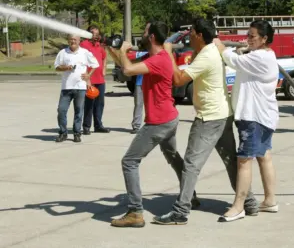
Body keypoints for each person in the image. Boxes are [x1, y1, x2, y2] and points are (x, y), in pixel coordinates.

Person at [153, 18, 258, 226]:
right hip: (222, 114)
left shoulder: (207, 54)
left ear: (200, 35)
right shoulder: (210, 50)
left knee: (191, 165)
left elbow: (179, 80)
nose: (189, 36)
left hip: (209, 118)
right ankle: (250, 202)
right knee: (230, 163)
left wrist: (168, 53)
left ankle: (181, 211)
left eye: (191, 32)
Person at [107, 21, 199, 228]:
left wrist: (122, 50)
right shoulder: (153, 57)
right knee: (174, 158)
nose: (142, 33)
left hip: (158, 121)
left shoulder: (158, 59)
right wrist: (113, 47)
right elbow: (125, 64)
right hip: (169, 117)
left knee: (129, 161)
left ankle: (135, 212)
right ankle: (190, 195)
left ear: (151, 37)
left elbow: (129, 70)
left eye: (146, 31)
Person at [211, 20, 279, 222]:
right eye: (247, 35)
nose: (248, 39)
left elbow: (232, 60)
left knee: (244, 160)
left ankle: (239, 206)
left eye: (252, 36)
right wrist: (243, 49)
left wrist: (220, 45)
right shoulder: (263, 55)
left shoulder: (260, 57)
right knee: (263, 156)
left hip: (253, 117)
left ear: (264, 39)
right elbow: (243, 62)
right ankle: (270, 200)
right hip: (264, 116)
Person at [54, 34, 99, 143]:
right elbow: (57, 67)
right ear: (68, 40)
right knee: (61, 110)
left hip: (80, 87)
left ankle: (77, 133)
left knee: (79, 111)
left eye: (75, 39)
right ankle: (63, 133)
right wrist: (66, 67)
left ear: (79, 41)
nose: (73, 41)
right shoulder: (63, 52)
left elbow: (95, 64)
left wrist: (88, 75)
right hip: (66, 87)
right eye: (71, 39)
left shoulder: (84, 52)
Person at [80, 25, 110, 135]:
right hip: (90, 79)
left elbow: (104, 57)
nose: (95, 35)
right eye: (93, 33)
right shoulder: (84, 45)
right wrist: (86, 76)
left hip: (100, 80)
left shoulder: (100, 45)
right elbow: (81, 60)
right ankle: (86, 126)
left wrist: (104, 69)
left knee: (100, 104)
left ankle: (98, 125)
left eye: (97, 33)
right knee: (89, 104)